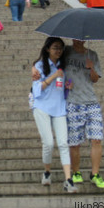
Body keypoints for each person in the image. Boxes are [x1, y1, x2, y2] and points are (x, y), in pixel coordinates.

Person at [33, 39, 104, 189]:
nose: (79, 40)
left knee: (97, 139)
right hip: (72, 102)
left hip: (91, 101)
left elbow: (95, 79)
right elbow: (48, 58)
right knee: (74, 142)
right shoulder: (65, 51)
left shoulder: (92, 54)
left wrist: (91, 68)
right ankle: (76, 172)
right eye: (76, 37)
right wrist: (33, 68)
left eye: (82, 37)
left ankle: (95, 174)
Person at [31, 37, 78, 193]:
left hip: (59, 108)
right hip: (42, 107)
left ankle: (68, 180)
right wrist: (53, 76)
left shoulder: (64, 66)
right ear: (47, 49)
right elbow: (37, 90)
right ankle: (47, 171)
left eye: (60, 48)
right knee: (49, 143)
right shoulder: (39, 66)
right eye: (55, 48)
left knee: (64, 143)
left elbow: (63, 88)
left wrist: (67, 86)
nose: (58, 51)